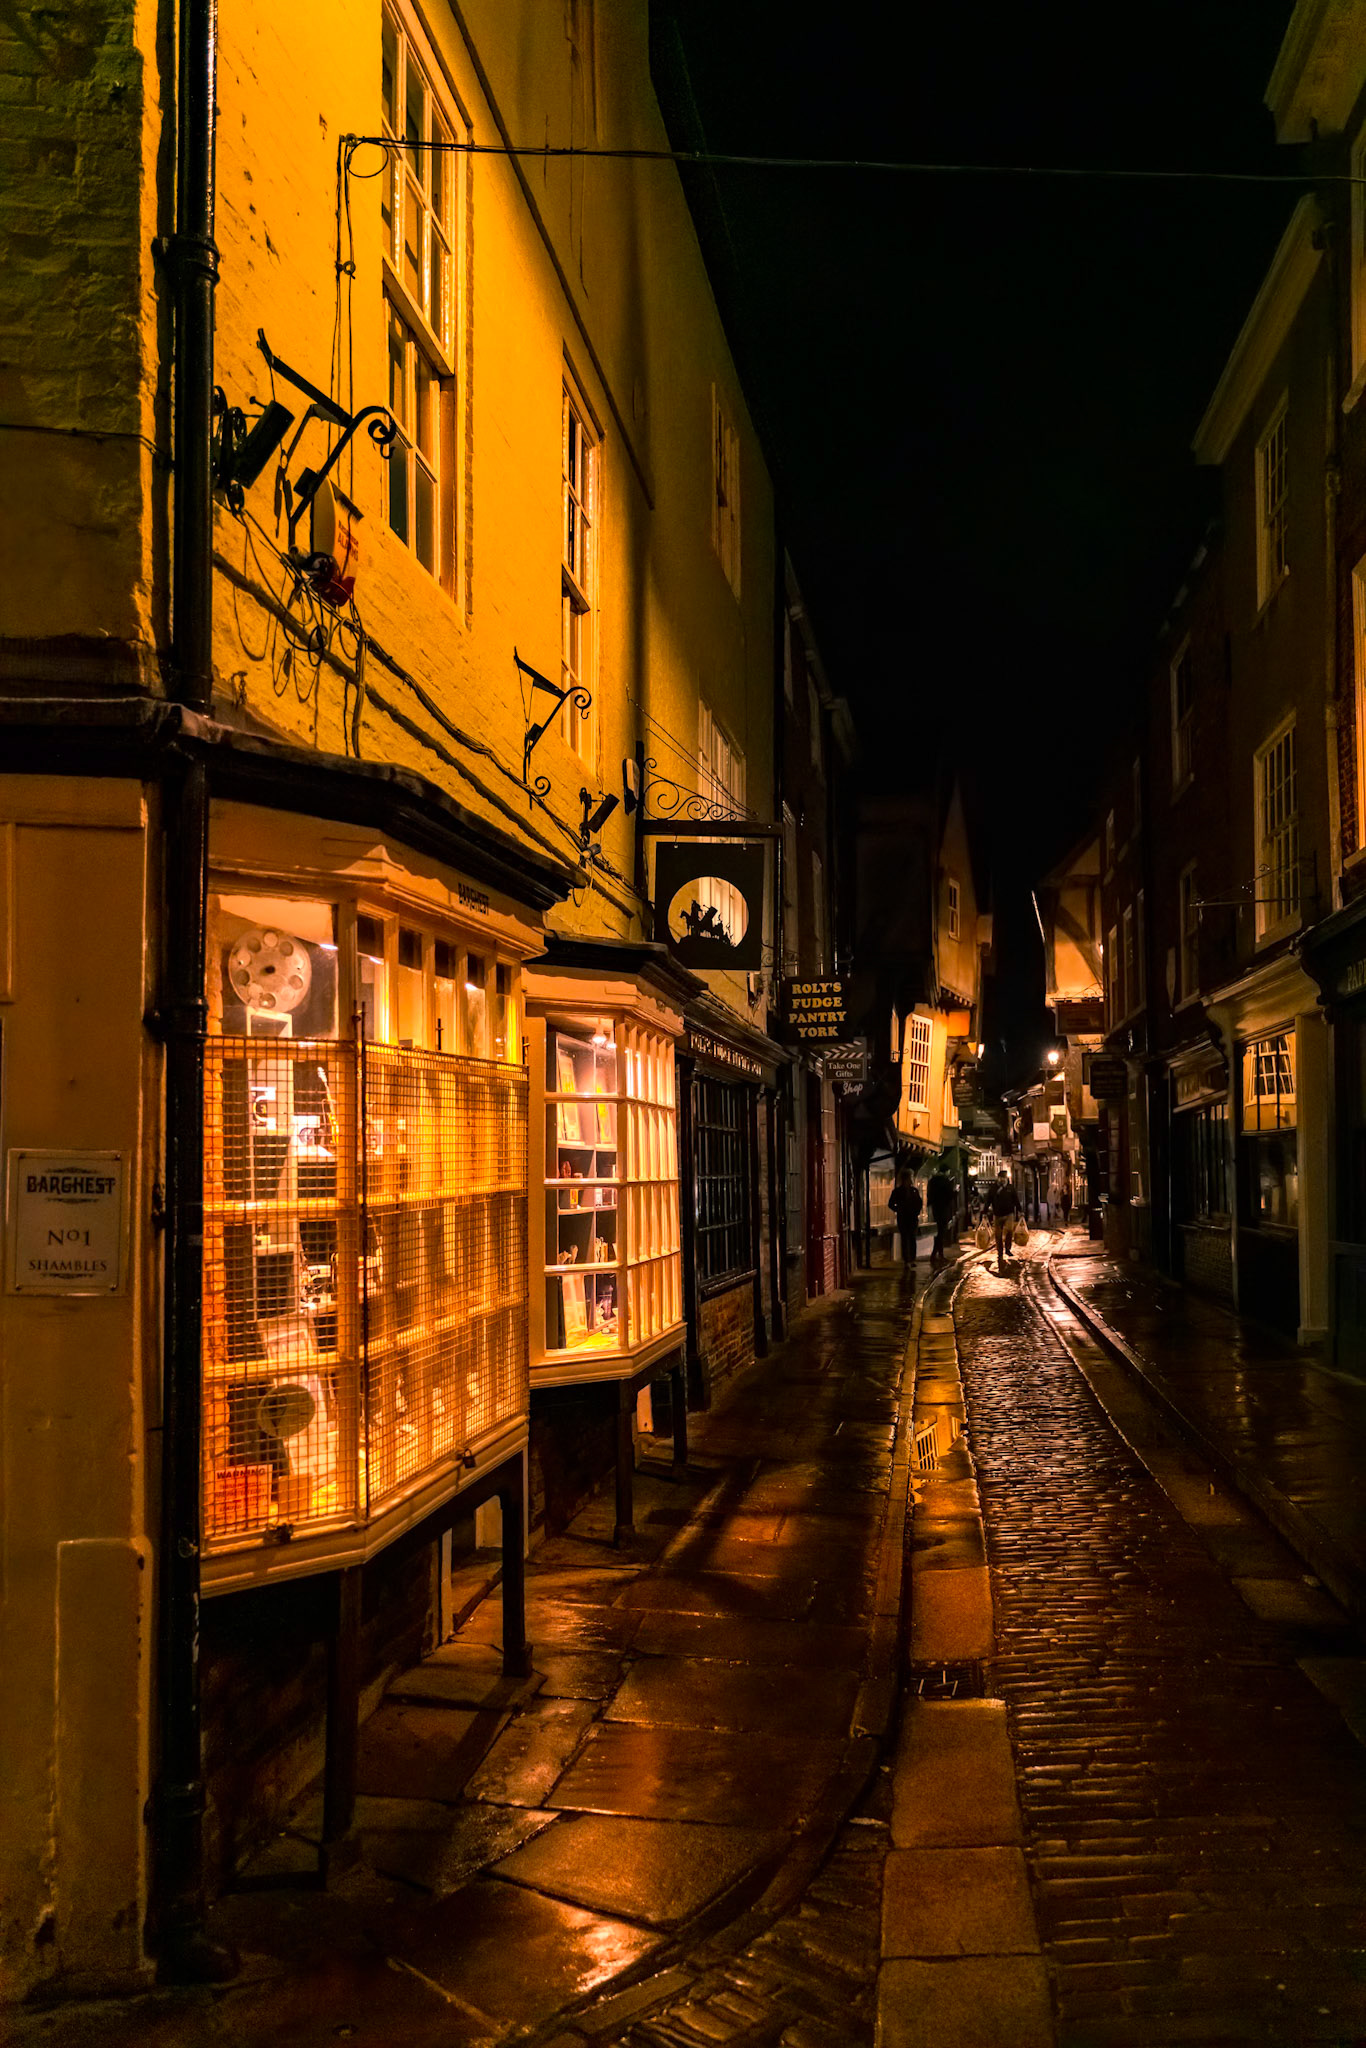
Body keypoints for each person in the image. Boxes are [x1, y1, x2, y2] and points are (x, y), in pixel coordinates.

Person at [987, 1170, 1021, 1273]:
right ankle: (1000, 1252)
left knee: (1009, 1230)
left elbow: (1016, 1200)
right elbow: (989, 1200)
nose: (1002, 1180)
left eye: (1004, 1178)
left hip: (1009, 1214)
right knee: (998, 1234)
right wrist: (984, 1212)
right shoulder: (993, 1188)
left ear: (1006, 1178)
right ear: (998, 1178)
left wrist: (1020, 1211)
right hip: (997, 1214)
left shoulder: (1010, 1188)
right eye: (1001, 1178)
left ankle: (1007, 1248)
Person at [888, 1172, 923, 1272]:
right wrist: (899, 1209)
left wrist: (916, 1211)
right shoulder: (898, 1191)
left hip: (912, 1218)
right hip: (903, 1218)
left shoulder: (914, 1191)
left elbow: (919, 1203)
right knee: (905, 1238)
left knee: (912, 1238)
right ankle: (906, 1260)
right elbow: (890, 1204)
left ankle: (912, 1259)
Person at [926, 1162, 956, 1271]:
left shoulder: (933, 1181)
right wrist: (955, 1191)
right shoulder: (946, 1182)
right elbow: (949, 1196)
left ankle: (936, 1254)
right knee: (941, 1232)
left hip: (935, 1209)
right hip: (944, 1209)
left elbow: (929, 1195)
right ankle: (937, 1254)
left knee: (939, 1232)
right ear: (946, 1171)